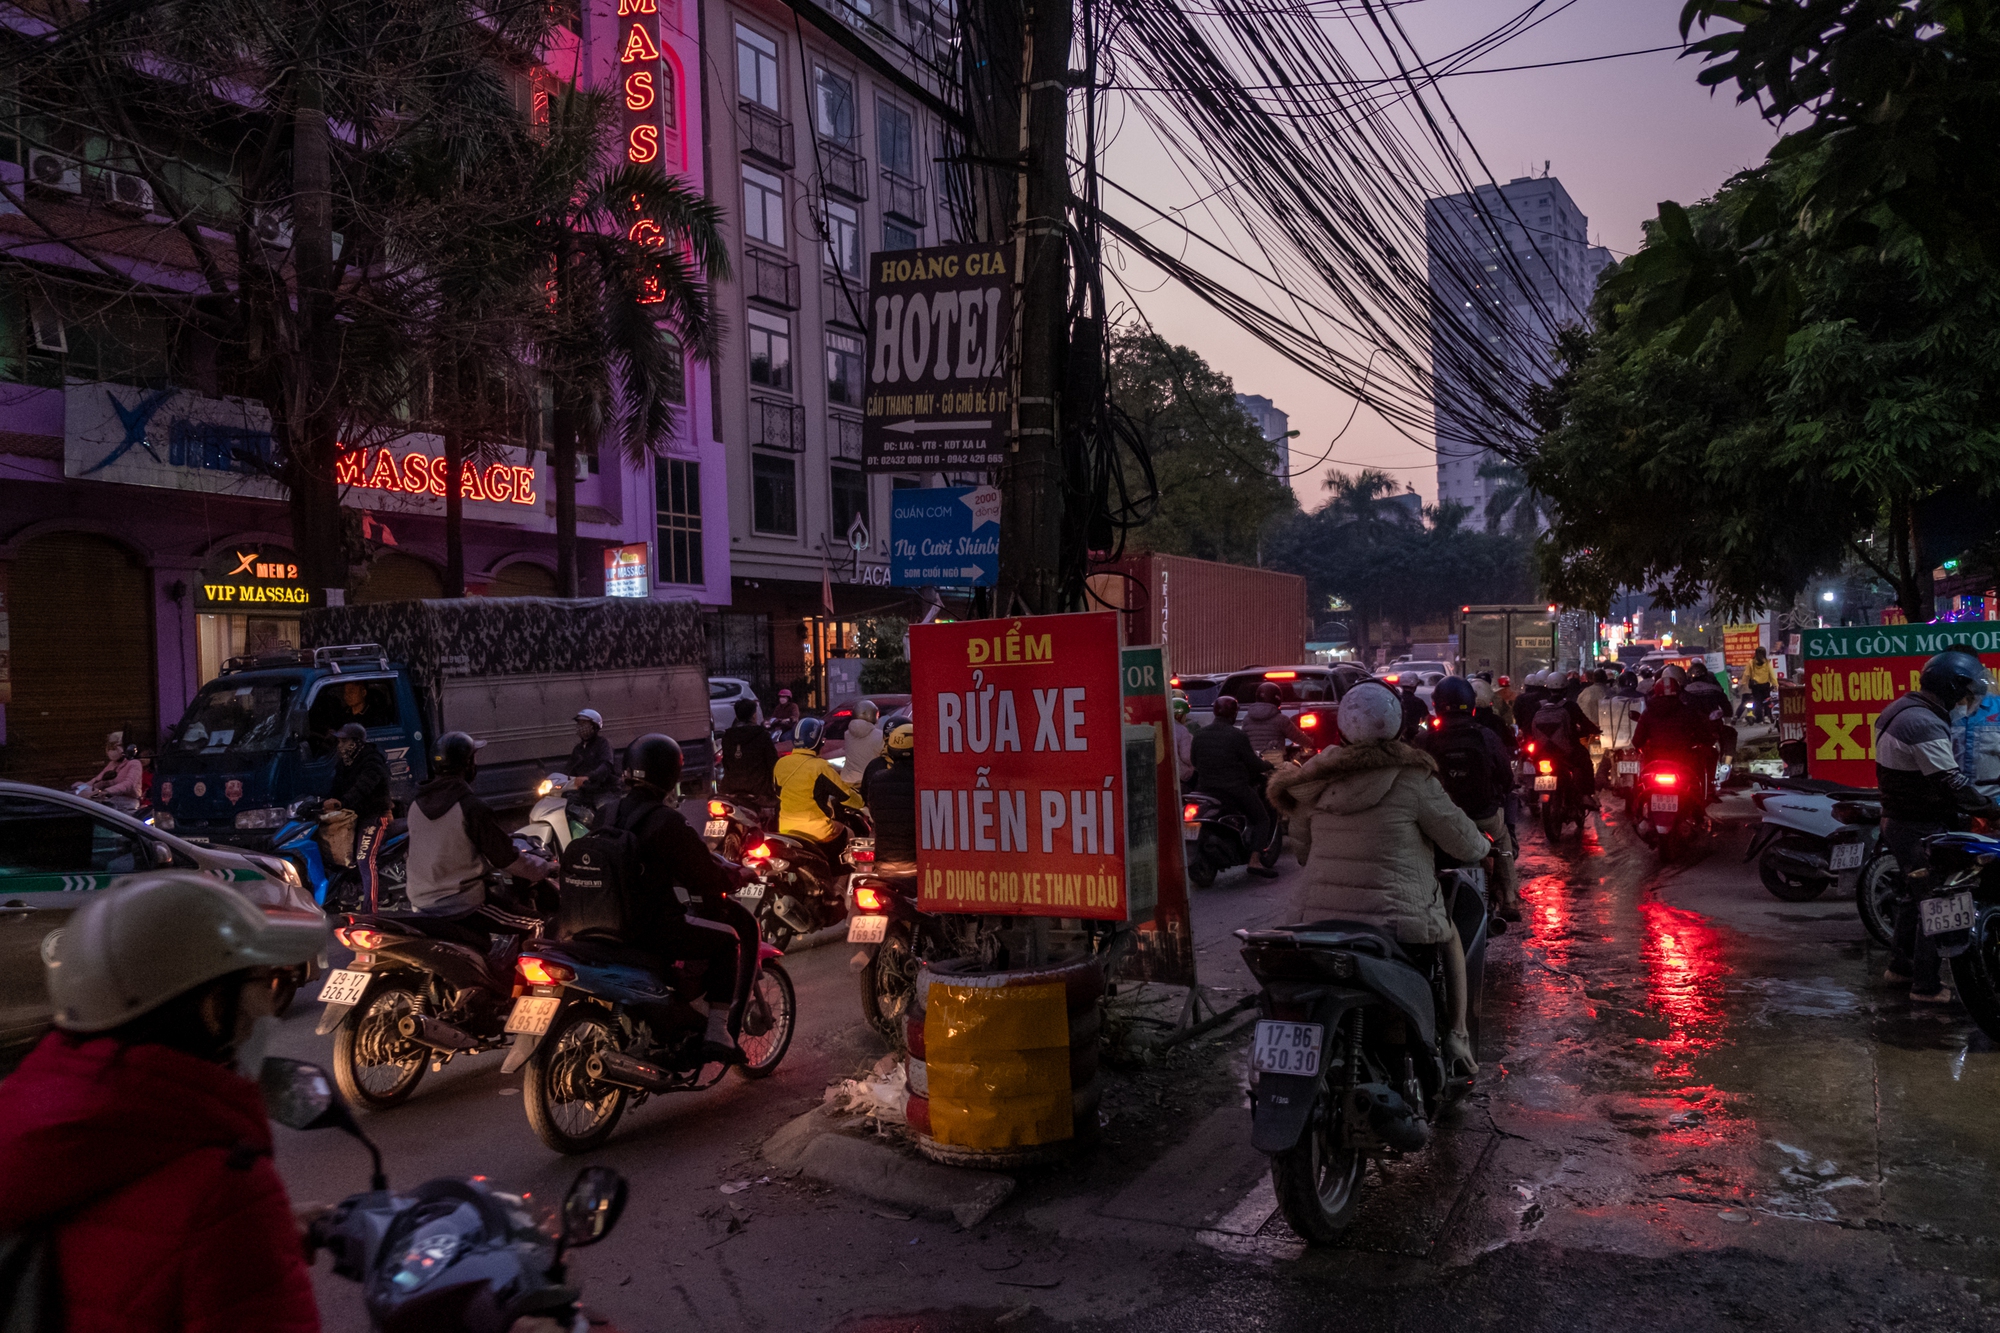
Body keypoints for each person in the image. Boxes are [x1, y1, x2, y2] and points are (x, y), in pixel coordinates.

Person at [0, 872, 326, 1333]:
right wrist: (246, 1233)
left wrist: (261, 1240)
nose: (269, 1009)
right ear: (213, 1006)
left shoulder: (30, 1125)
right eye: (265, 982)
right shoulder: (224, 1187)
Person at [1267, 680, 1488, 1077]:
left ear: (1342, 731)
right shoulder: (1414, 780)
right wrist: (1488, 848)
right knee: (1450, 933)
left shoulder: (1313, 781)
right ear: (1399, 728)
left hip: (1312, 923)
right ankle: (1457, 1037)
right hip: (1396, 924)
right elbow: (1469, 846)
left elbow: (1302, 852)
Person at [605, 734, 747, 1060]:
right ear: (671, 775)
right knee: (727, 940)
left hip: (603, 923)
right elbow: (703, 876)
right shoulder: (666, 820)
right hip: (649, 928)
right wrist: (737, 874)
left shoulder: (606, 812)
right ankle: (716, 1030)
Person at [1874, 650, 2000, 1006]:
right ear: (1949, 688)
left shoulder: (1900, 709)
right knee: (1938, 903)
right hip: (1917, 826)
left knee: (1912, 900)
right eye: (1964, 693)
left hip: (1901, 821)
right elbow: (1951, 783)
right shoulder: (1923, 723)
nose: (1966, 701)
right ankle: (1926, 987)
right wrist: (1992, 810)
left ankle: (1901, 968)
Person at [406, 731, 554, 941]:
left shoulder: (415, 805)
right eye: (474, 759)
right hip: (459, 904)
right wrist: (544, 868)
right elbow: (507, 859)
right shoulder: (471, 807)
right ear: (467, 765)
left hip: (421, 903)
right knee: (537, 924)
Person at [1420, 677, 1521, 920]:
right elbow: (1506, 775)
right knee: (1502, 840)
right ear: (1472, 706)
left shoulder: (1425, 740)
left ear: (1436, 707)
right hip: (1484, 815)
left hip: (1441, 819)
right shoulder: (1486, 736)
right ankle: (1509, 900)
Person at [1189, 696, 1278, 878]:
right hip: (1235, 789)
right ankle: (1254, 861)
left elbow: (1194, 761)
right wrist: (1268, 765)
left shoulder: (1200, 735)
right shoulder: (1237, 736)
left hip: (1204, 788)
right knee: (1262, 819)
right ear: (1234, 713)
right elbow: (1253, 764)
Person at [1631, 665, 1723, 803]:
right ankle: (1703, 802)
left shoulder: (1648, 713)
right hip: (1683, 760)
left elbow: (1637, 740)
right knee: (1694, 789)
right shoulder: (1687, 712)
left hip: (1654, 761)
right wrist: (1707, 740)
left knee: (1641, 788)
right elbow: (1702, 735)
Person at [323, 723, 392, 907]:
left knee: (364, 859)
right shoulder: (344, 764)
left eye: (344, 741)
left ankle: (371, 911)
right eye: (339, 741)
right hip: (352, 819)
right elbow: (335, 789)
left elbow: (362, 788)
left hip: (375, 817)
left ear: (356, 742)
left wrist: (342, 802)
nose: (340, 746)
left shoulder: (372, 761)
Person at [773, 716, 865, 850]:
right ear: (818, 741)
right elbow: (845, 796)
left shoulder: (781, 763)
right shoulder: (820, 766)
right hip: (817, 831)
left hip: (786, 829)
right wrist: (862, 802)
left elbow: (778, 793)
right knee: (849, 833)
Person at [1526, 679, 1601, 807]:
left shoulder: (1538, 706)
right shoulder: (1570, 706)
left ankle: (1531, 793)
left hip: (1541, 751)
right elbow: (1585, 723)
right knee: (1585, 761)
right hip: (1566, 751)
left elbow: (1528, 728)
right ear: (1565, 690)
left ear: (1549, 689)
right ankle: (1586, 796)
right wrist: (1596, 731)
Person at [862, 719, 917, 874]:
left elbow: (872, 812)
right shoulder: (926, 783)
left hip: (884, 863)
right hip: (917, 864)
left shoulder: (877, 777)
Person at [719, 698, 779, 807]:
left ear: (737, 716)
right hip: (759, 792)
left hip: (730, 789)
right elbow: (773, 764)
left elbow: (726, 763)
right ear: (754, 716)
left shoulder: (727, 737)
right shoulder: (762, 735)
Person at [1242, 682, 1308, 759]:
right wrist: (1312, 746)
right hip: (1275, 763)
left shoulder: (1247, 719)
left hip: (1253, 763)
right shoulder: (1281, 719)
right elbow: (1300, 738)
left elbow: (1242, 742)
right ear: (1278, 699)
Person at [81, 733, 145, 810]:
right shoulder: (112, 764)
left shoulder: (134, 763)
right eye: (110, 747)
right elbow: (99, 779)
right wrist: (80, 788)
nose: (111, 750)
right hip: (114, 800)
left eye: (114, 747)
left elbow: (128, 784)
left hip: (129, 804)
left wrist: (106, 791)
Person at [565, 709, 618, 800]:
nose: (581, 727)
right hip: (585, 791)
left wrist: (588, 777)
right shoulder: (578, 749)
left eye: (584, 723)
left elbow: (606, 765)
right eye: (579, 723)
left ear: (594, 726)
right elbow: (569, 768)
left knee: (603, 810)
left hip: (604, 791)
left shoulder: (603, 744)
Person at [843, 700, 886, 778]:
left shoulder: (847, 735)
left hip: (848, 780)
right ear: (872, 714)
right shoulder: (880, 736)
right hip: (870, 781)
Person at [1745, 647, 1778, 723]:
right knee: (1767, 701)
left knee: (1757, 702)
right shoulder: (1767, 662)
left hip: (1755, 686)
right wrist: (1775, 684)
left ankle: (1759, 719)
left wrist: (1745, 683)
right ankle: (1767, 716)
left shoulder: (1751, 662)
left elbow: (1747, 674)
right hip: (1765, 686)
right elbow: (1772, 674)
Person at [1396, 678, 1432, 743]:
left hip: (1398, 739)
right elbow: (1425, 721)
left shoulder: (1396, 700)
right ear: (1415, 686)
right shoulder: (1419, 702)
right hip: (1414, 740)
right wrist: (1421, 731)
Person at [1172, 694, 1198, 787]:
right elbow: (1186, 756)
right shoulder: (1182, 730)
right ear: (1180, 715)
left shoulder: (1164, 727)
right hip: (1183, 774)